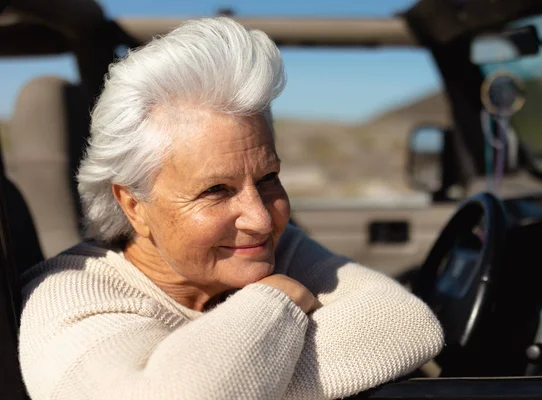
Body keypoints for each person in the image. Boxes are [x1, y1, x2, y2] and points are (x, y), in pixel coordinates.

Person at [19, 17, 444, 400]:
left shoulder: (267, 251)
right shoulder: (68, 297)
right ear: (134, 205)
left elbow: (405, 323)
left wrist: (252, 384)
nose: (261, 219)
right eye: (217, 190)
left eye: (268, 179)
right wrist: (280, 297)